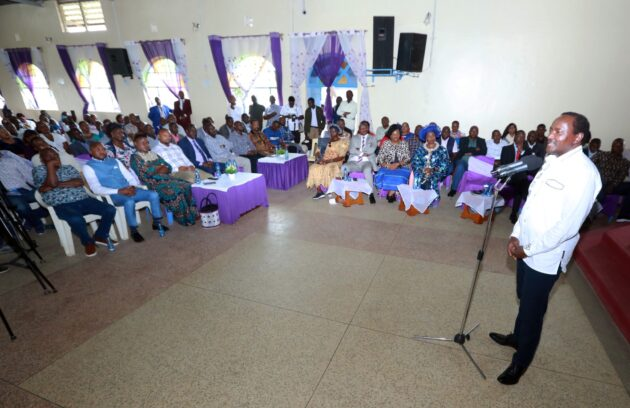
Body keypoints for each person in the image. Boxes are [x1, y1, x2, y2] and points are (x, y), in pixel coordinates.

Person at [489, 112, 601, 385]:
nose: (550, 135)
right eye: (551, 129)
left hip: (546, 256)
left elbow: (567, 227)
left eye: (558, 131)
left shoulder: (584, 174)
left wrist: (527, 249)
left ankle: (521, 362)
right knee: (523, 295)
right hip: (525, 246)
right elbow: (531, 204)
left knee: (532, 309)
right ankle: (517, 337)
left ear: (577, 138)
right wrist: (516, 235)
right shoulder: (550, 161)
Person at [33, 148, 118, 257]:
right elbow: (44, 188)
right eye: (49, 156)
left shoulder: (68, 167)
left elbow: (79, 182)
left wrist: (55, 185)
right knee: (76, 219)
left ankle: (100, 236)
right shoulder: (39, 171)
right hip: (62, 204)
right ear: (42, 160)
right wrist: (50, 167)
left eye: (55, 154)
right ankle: (88, 242)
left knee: (110, 209)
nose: (53, 157)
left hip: (84, 199)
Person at [84, 142, 166, 242]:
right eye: (98, 150)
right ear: (91, 152)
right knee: (129, 201)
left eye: (103, 149)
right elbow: (95, 188)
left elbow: (129, 176)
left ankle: (157, 222)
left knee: (153, 195)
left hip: (129, 189)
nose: (102, 152)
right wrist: (119, 191)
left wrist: (132, 187)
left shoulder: (115, 161)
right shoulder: (88, 167)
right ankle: (134, 230)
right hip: (113, 194)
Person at [130, 135, 197, 226]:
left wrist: (157, 168)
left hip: (167, 178)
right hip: (153, 183)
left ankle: (192, 214)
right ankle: (183, 218)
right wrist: (160, 167)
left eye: (147, 143)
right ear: (135, 144)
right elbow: (146, 172)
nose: (146, 145)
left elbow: (168, 166)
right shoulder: (135, 158)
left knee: (186, 185)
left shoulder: (153, 154)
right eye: (143, 143)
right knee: (176, 190)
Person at [0, 150, 48, 234]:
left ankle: (29, 219)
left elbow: (27, 175)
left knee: (45, 197)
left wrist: (39, 186)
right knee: (22, 208)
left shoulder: (10, 161)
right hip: (9, 193)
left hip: (24, 188)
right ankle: (37, 224)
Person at [592, 138, 630, 222]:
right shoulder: (602, 154)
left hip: (612, 185)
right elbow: (590, 163)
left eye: (618, 146)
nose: (615, 147)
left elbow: (621, 176)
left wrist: (613, 185)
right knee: (599, 175)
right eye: (614, 145)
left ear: (622, 148)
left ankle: (623, 216)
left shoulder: (624, 162)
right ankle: (597, 203)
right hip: (598, 181)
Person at [307, 125, 350, 199]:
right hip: (324, 160)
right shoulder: (326, 140)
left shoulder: (343, 141)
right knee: (313, 168)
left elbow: (342, 156)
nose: (332, 133)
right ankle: (319, 191)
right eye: (330, 131)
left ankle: (328, 188)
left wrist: (328, 161)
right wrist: (319, 158)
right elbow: (317, 151)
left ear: (338, 132)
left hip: (335, 161)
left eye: (334, 131)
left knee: (327, 168)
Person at [500, 131, 534, 224]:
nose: (521, 138)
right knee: (522, 184)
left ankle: (514, 213)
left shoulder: (528, 151)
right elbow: (504, 164)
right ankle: (523, 205)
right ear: (515, 137)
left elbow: (527, 166)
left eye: (523, 137)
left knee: (521, 183)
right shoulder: (506, 149)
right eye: (519, 136)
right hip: (507, 175)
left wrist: (521, 152)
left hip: (520, 177)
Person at [342, 121, 378, 204]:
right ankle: (345, 190)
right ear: (359, 129)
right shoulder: (354, 138)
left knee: (367, 170)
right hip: (354, 161)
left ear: (368, 128)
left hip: (367, 161)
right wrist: (362, 153)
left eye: (365, 128)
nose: (363, 129)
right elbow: (351, 150)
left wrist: (358, 150)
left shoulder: (373, 138)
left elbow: (372, 150)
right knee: (344, 167)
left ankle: (370, 193)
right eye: (361, 128)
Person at [410, 130, 452, 198]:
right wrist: (423, 169)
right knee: (419, 176)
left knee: (431, 178)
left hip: (436, 171)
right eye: (429, 136)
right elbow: (415, 162)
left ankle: (431, 197)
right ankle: (419, 196)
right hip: (422, 170)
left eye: (433, 136)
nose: (431, 138)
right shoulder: (420, 149)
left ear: (435, 137)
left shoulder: (442, 150)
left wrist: (432, 169)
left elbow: (445, 164)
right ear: (426, 138)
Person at [447, 126, 488, 196]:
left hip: (475, 163)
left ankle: (477, 188)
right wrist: (475, 149)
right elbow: (463, 149)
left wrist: (471, 152)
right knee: (460, 166)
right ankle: (453, 189)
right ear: (469, 131)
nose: (473, 132)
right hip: (463, 160)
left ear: (477, 132)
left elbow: (484, 152)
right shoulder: (463, 139)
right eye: (472, 131)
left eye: (475, 131)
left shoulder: (482, 140)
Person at [375, 125, 411, 202]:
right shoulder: (386, 143)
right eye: (393, 134)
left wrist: (397, 164)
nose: (396, 136)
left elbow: (407, 158)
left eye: (397, 133)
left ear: (400, 134)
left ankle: (391, 191)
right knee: (380, 174)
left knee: (400, 177)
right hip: (388, 166)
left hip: (402, 166)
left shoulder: (404, 143)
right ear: (390, 135)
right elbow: (380, 158)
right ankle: (393, 191)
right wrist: (387, 165)